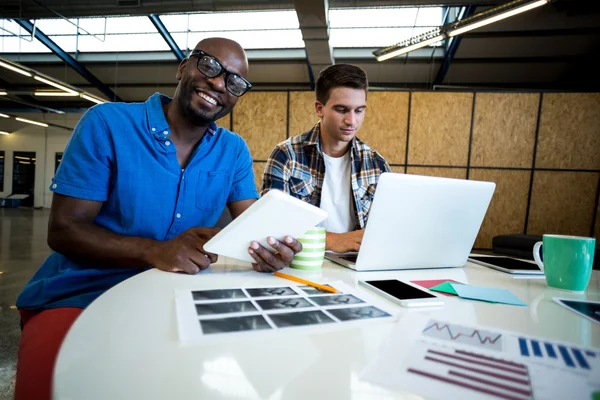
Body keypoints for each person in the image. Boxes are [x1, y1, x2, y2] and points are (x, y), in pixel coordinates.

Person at [14, 38, 301, 400]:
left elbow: (253, 229)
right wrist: (155, 250)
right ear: (183, 67)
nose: (218, 84)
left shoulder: (233, 151)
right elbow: (64, 230)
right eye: (210, 67)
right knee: (53, 384)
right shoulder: (108, 124)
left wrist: (271, 249)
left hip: (178, 297)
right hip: (83, 293)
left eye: (234, 83)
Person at [261, 64, 391, 253]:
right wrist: (332, 241)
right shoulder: (286, 156)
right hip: (300, 265)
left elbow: (386, 233)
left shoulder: (377, 165)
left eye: (359, 110)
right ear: (319, 108)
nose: (351, 121)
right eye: (341, 109)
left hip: (354, 268)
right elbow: (270, 225)